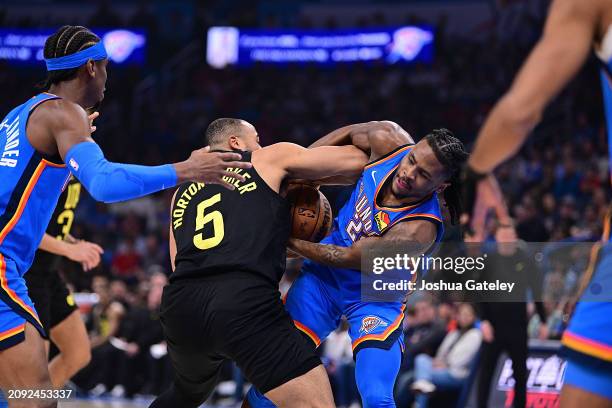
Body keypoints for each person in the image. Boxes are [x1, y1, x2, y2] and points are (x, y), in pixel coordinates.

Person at [0, 25, 252, 407]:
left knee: (22, 393)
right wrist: (184, 169)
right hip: (2, 265)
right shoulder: (64, 115)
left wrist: (70, 146)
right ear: (90, 68)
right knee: (35, 398)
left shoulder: (23, 113)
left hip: (12, 264)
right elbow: (103, 184)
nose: (106, 78)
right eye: (105, 68)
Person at [151, 118, 369, 408]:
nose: (261, 145)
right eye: (256, 139)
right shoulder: (265, 158)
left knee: (185, 394)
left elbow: (178, 261)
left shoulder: (182, 189)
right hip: (241, 299)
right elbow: (356, 163)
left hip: (182, 306)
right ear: (235, 143)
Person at [248, 121, 468, 408]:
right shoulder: (388, 140)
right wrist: (302, 173)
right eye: (412, 160)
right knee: (274, 372)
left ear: (441, 186)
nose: (408, 173)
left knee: (376, 396)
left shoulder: (420, 229)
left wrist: (288, 242)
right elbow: (348, 134)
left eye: (423, 175)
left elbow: (350, 257)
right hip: (324, 279)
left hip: (374, 296)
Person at [461, 0, 612, 405]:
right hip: (500, 326)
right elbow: (474, 291)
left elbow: (521, 111)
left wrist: (474, 174)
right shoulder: (493, 259)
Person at [25, 176, 102, 389]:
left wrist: (75, 243)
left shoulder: (74, 168)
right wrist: (71, 250)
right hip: (26, 275)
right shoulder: (44, 169)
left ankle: (36, 399)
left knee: (78, 352)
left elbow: (52, 224)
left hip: (49, 274)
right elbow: (24, 226)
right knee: (35, 367)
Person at [476, 225, 548, 408]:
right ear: (497, 236)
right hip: (493, 326)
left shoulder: (525, 260)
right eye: (504, 234)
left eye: (511, 234)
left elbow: (537, 290)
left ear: (515, 237)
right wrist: (483, 321)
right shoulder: (488, 261)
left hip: (517, 326)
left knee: (520, 374)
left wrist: (544, 321)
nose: (508, 238)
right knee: (486, 373)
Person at [410, 303, 482, 408]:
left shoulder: (476, 335)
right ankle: (423, 386)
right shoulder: (455, 332)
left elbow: (462, 360)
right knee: (421, 359)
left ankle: (419, 404)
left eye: (468, 314)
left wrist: (445, 363)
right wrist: (437, 361)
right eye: (461, 314)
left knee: (420, 377)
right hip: (442, 368)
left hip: (457, 374)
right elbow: (441, 353)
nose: (464, 317)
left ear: (474, 317)